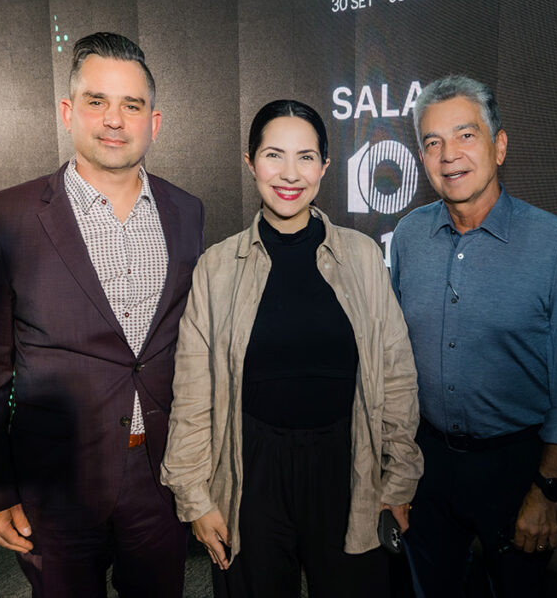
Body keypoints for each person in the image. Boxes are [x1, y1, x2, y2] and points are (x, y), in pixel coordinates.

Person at [0, 32, 204, 597]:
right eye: (97, 101)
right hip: (54, 482)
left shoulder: (187, 212)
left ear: (153, 122)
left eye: (132, 105)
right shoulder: (4, 216)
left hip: (158, 478)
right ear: (68, 112)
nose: (114, 119)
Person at [160, 99, 422, 597]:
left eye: (306, 157)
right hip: (250, 469)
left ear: (325, 166)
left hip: (349, 466)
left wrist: (398, 479)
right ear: (250, 162)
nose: (289, 173)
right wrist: (196, 498)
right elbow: (194, 392)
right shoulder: (217, 267)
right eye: (273, 155)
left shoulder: (363, 257)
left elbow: (396, 374)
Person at [391, 75, 557, 597]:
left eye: (466, 135)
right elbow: (390, 361)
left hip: (518, 471)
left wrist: (547, 493)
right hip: (428, 465)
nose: (449, 155)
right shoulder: (411, 235)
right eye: (432, 142)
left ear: (499, 145)